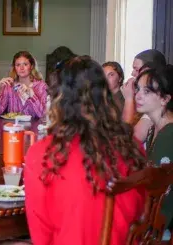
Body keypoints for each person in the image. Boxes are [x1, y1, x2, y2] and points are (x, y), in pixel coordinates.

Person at [24, 56, 146, 245]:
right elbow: (140, 213)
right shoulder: (132, 147)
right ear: (105, 97)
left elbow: (41, 237)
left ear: (59, 99)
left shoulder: (42, 154)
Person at [134, 65, 173, 228]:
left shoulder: (169, 135)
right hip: (152, 213)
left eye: (147, 91)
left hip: (161, 222)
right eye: (138, 89)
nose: (137, 96)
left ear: (165, 99)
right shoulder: (152, 129)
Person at [122, 49, 167, 141]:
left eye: (136, 69)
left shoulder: (156, 105)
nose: (132, 73)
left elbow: (128, 141)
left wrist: (129, 99)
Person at [0, 51, 47, 118]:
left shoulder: (41, 86)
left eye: (25, 64)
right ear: (14, 68)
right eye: (18, 65)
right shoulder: (9, 86)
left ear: (31, 66)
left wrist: (32, 95)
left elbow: (44, 116)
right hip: (13, 127)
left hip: (34, 128)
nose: (21, 68)